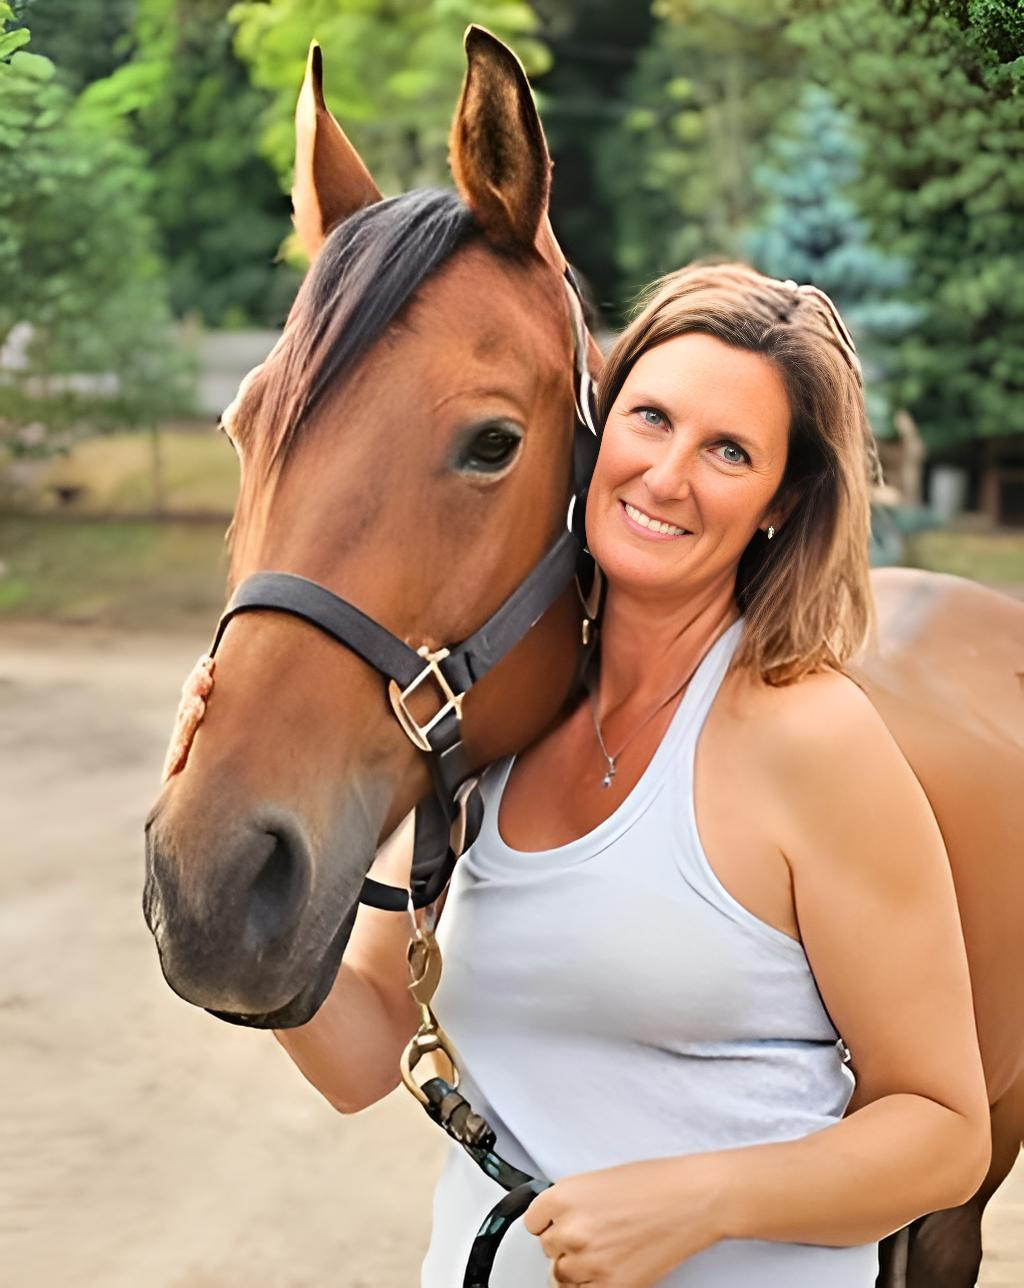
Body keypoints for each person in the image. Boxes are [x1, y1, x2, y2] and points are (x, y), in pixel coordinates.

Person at [277, 262, 990, 1288]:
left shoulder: (810, 739)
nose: (666, 475)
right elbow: (361, 1050)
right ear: (597, 431)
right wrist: (242, 920)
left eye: (728, 450)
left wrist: (698, 1201)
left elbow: (942, 1130)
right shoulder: (499, 723)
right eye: (650, 418)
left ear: (780, 503)